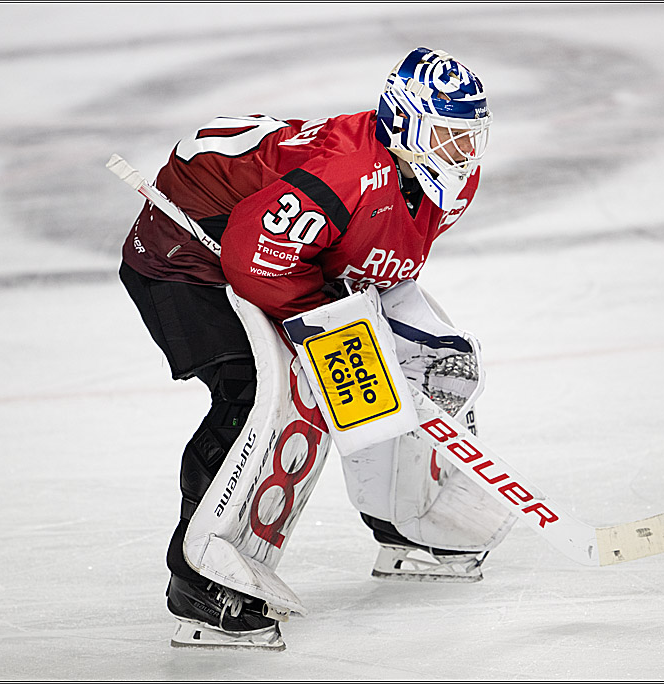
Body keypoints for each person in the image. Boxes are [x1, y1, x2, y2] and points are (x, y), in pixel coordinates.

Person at [118, 46, 511, 650]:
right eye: (446, 135)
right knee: (260, 399)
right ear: (404, 123)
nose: (462, 152)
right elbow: (256, 257)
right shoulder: (345, 171)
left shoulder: (445, 179)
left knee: (432, 367)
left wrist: (375, 341)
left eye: (469, 136)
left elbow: (366, 255)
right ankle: (201, 578)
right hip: (186, 256)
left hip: (280, 252)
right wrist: (325, 330)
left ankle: (404, 520)